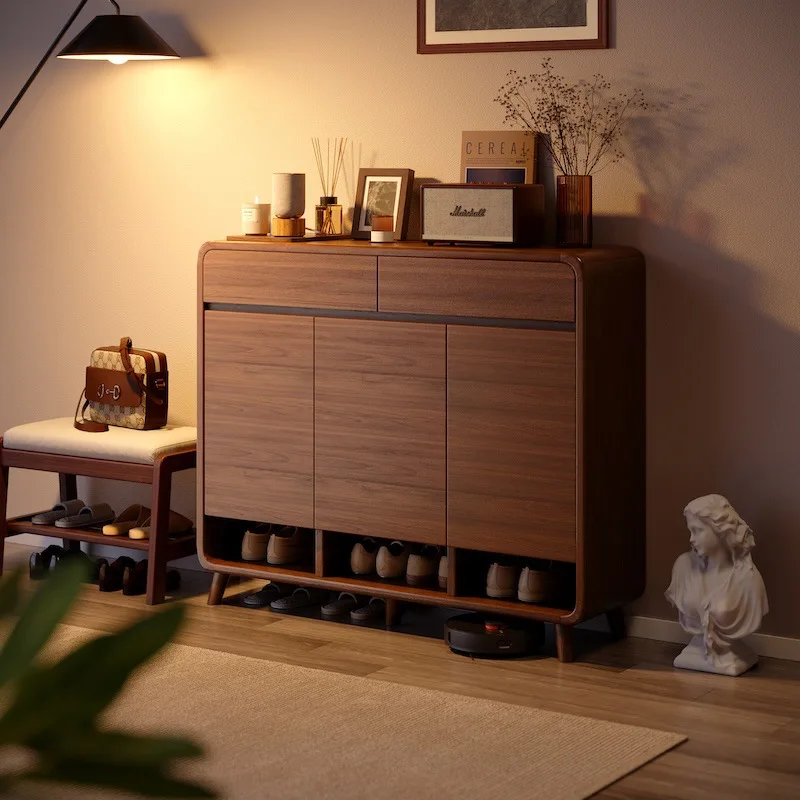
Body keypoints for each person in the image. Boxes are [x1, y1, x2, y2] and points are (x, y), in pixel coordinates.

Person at [665, 494, 768, 676]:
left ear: (719, 530)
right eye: (690, 531)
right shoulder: (684, 568)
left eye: (697, 530)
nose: (691, 538)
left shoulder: (747, 580)